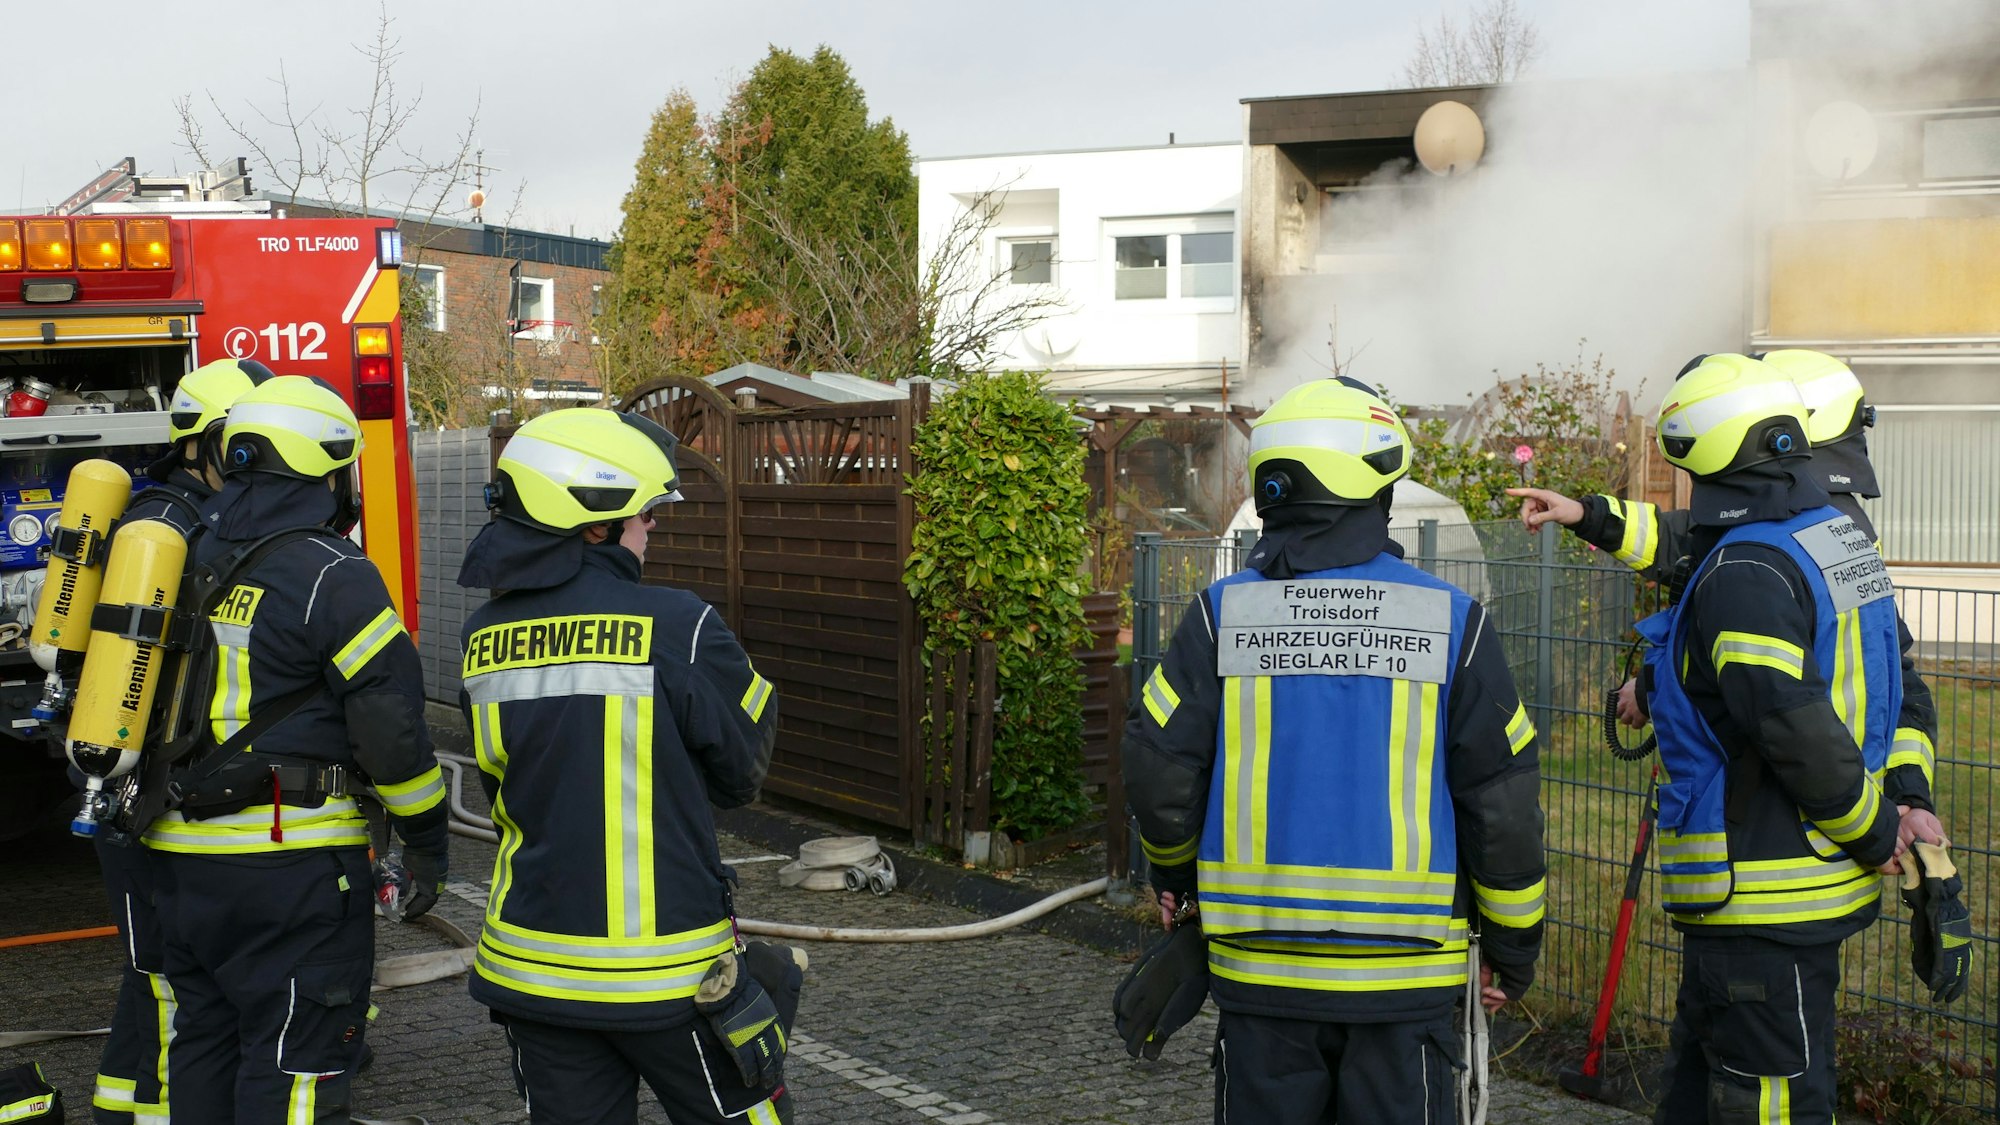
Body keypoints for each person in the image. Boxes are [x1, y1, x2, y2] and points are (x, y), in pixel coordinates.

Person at [1121, 378, 1546, 1124]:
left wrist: (1177, 880)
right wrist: (1513, 948)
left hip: (1261, 981)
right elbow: (1501, 804)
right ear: (1378, 489)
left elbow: (1159, 767)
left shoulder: (1222, 616)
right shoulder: (1452, 622)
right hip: (1405, 988)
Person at [1623, 353, 1960, 1123]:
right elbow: (1895, 689)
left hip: (1758, 895)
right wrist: (1907, 798)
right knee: (1703, 1084)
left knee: (1774, 1100)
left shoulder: (1746, 566)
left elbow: (1789, 722)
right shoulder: (1838, 541)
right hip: (1799, 894)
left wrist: (1876, 830)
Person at [456, 407, 787, 1125]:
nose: (653, 526)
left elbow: (507, 784)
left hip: (534, 975)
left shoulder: (481, 638)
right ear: (594, 526)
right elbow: (742, 773)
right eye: (645, 513)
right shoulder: (680, 624)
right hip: (671, 979)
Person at [1505, 348, 1943, 876]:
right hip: (1838, 838)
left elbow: (1771, 688)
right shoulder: (1828, 527)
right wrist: (1584, 514)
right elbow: (1681, 538)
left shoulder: (1765, 550)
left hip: (1778, 845)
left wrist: (1651, 687)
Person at [142, 375, 448, 1124]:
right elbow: (390, 730)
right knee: (295, 1070)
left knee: (203, 1046)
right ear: (327, 469)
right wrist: (427, 840)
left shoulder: (182, 555)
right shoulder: (335, 574)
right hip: (291, 869)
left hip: (176, 862)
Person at [84, 356, 271, 1125]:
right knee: (165, 976)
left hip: (145, 778)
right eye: (245, 442)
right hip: (143, 786)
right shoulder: (171, 532)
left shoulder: (175, 517)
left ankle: (120, 1104)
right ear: (204, 444)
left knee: (154, 968)